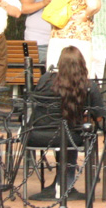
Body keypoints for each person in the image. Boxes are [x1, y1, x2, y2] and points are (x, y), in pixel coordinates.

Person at [29, 47, 100, 198]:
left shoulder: (45, 79)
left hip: (39, 135)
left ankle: (59, 183)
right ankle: (65, 186)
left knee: (64, 132)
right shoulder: (87, 85)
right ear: (82, 63)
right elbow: (99, 115)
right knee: (73, 132)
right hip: (71, 137)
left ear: (60, 63)